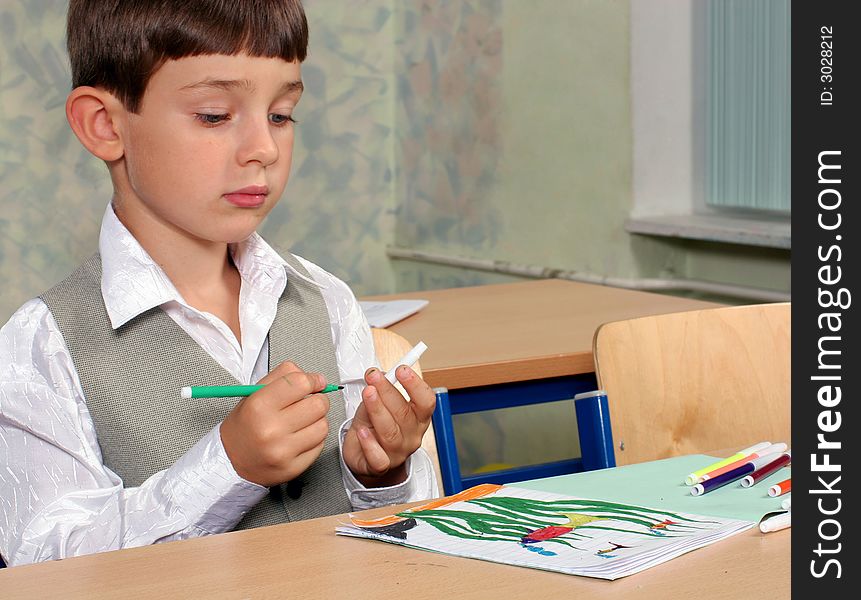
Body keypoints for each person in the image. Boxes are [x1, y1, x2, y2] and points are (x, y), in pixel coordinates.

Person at [0, 0, 438, 567]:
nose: (264, 148)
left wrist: (382, 471)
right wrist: (227, 467)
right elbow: (45, 563)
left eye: (280, 115)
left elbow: (402, 534)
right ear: (105, 125)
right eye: (214, 115)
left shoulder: (324, 300)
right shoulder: (44, 345)